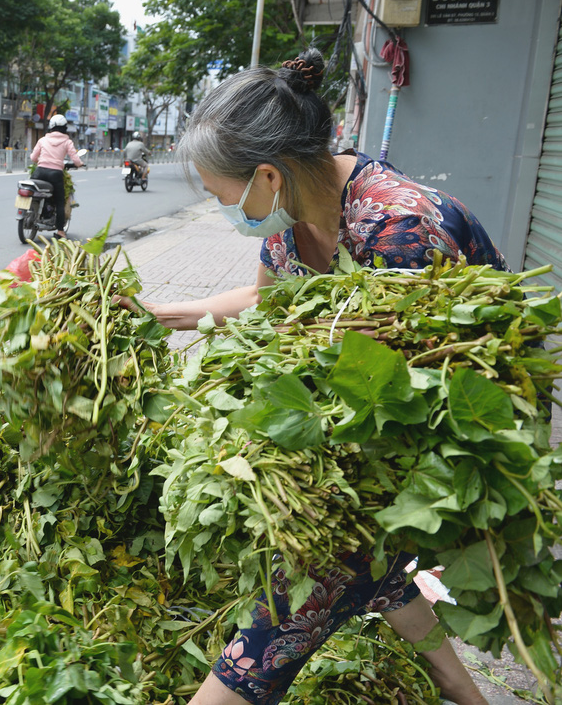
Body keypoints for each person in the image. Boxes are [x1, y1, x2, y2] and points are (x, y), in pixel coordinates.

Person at [131, 49, 497, 705]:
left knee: (299, 597)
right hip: (361, 422)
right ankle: (466, 695)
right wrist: (171, 313)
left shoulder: (400, 232)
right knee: (376, 574)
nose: (225, 210)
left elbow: (398, 397)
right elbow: (271, 306)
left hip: (434, 436)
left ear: (266, 176)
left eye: (221, 195)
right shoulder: (289, 219)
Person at [29, 114, 84, 239]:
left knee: (33, 192)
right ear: (64, 128)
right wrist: (80, 164)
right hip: (55, 174)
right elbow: (75, 158)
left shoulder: (42, 140)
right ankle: (60, 231)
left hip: (39, 172)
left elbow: (33, 158)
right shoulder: (67, 142)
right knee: (60, 202)